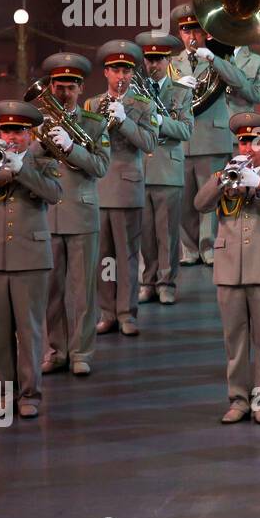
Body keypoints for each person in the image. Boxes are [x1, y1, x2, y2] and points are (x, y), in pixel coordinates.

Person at [0, 100, 63, 419]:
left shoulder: (44, 161)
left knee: (30, 329)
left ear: (30, 135)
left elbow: (54, 193)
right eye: (7, 130)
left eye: (18, 132)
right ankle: (5, 392)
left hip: (30, 258)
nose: (11, 137)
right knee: (0, 331)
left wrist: (21, 169)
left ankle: (30, 393)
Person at [195, 112, 260, 425]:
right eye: (243, 140)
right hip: (230, 269)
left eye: (256, 141)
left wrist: (259, 186)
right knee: (235, 342)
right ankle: (238, 400)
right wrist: (220, 179)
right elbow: (200, 204)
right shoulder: (225, 173)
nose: (249, 146)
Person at [171, 4, 260, 266]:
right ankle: (188, 250)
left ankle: (209, 247)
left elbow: (240, 83)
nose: (190, 36)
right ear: (179, 33)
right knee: (186, 199)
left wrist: (212, 58)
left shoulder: (220, 58)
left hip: (211, 138)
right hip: (183, 138)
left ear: (205, 33)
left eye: (195, 30)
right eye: (185, 30)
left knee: (211, 196)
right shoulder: (172, 63)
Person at [36, 53, 110, 376]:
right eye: (58, 86)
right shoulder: (38, 122)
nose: (63, 93)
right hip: (49, 214)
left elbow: (100, 167)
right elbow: (31, 166)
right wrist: (41, 147)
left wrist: (71, 147)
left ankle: (81, 352)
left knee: (82, 289)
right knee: (52, 290)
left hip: (81, 214)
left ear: (81, 88)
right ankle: (57, 350)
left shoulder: (94, 124)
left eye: (69, 87)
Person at [87, 40, 158, 337]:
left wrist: (125, 121)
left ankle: (127, 313)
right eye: (116, 69)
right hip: (100, 187)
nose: (121, 76)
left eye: (126, 70)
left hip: (128, 189)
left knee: (128, 256)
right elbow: (86, 144)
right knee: (104, 257)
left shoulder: (144, 105)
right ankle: (107, 312)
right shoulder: (91, 105)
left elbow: (150, 143)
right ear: (106, 72)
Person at [136, 32, 194, 306]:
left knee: (168, 233)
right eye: (149, 59)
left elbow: (185, 130)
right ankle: (148, 282)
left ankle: (167, 282)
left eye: (159, 59)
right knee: (145, 233)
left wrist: (159, 120)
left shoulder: (181, 93)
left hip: (168, 172)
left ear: (168, 60)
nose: (153, 65)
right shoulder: (135, 93)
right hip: (141, 170)